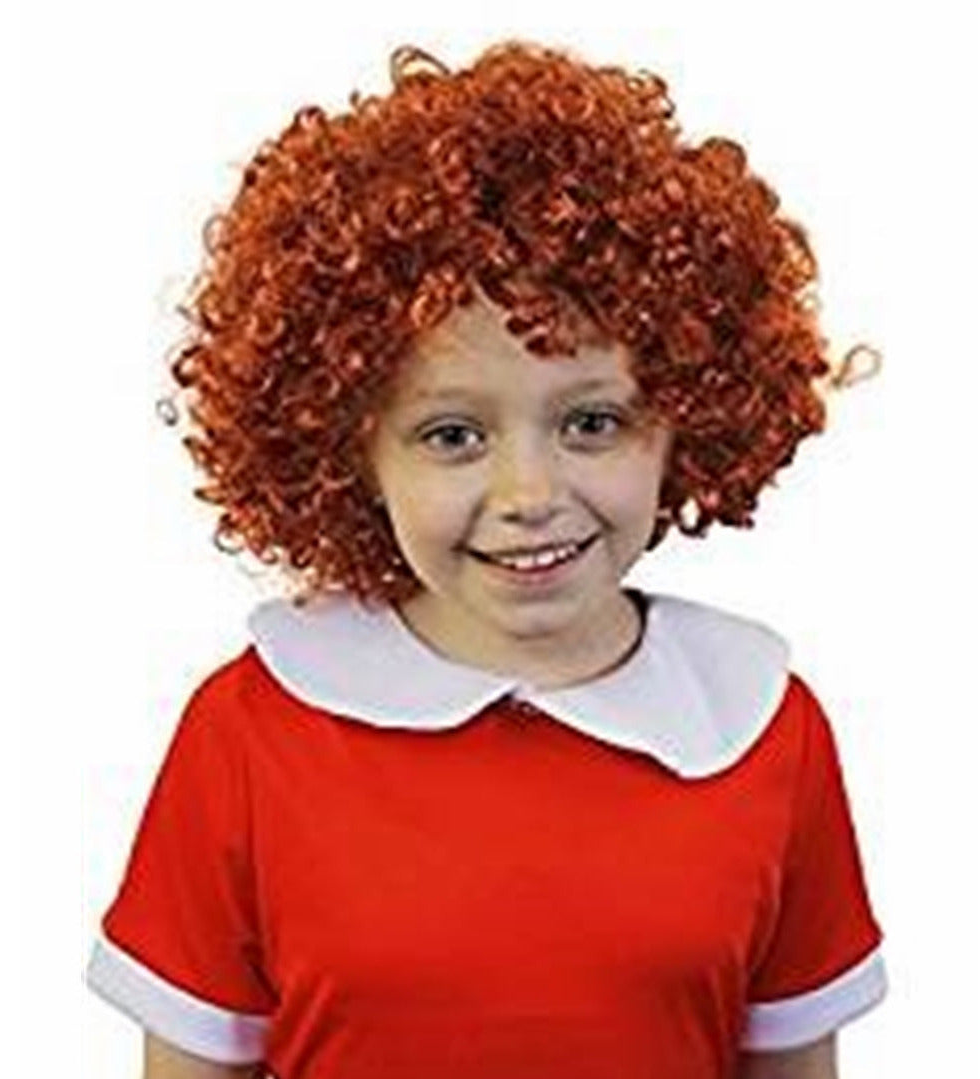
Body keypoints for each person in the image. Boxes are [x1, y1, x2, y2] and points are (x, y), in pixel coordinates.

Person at [83, 38, 887, 1079]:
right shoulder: (252, 731)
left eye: (591, 422)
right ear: (350, 449)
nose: (528, 494)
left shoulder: (756, 725)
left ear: (685, 416)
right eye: (453, 435)